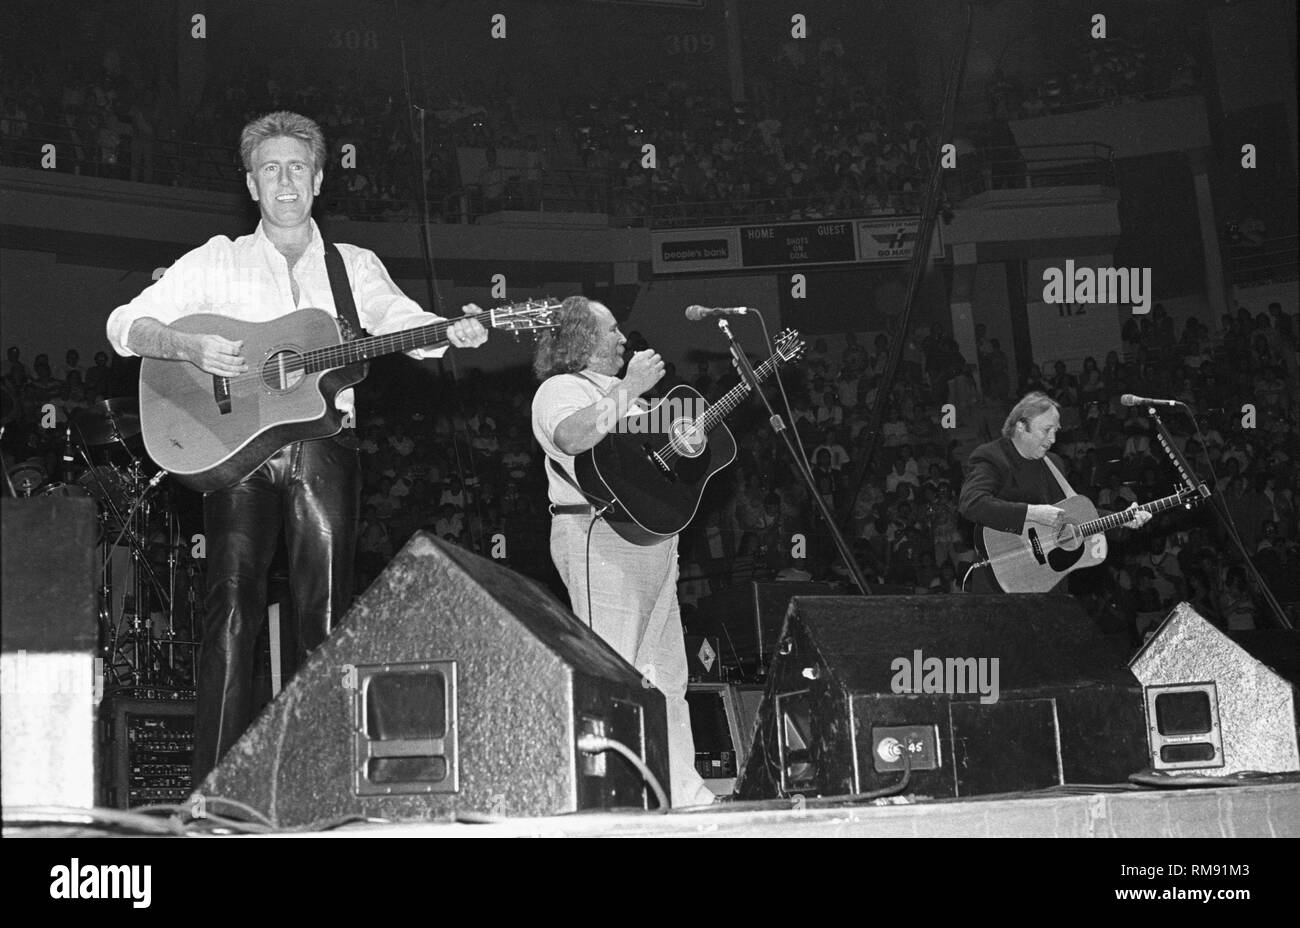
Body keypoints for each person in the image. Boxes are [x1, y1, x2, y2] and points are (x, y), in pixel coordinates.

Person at [105, 111, 488, 783]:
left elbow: (406, 325)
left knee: (329, 612)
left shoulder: (352, 266)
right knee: (230, 609)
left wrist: (450, 330)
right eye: (271, 169)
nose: (285, 182)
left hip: (326, 441)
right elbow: (121, 325)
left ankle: (332, 781)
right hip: (237, 451)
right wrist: (185, 344)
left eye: (298, 169)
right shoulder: (216, 259)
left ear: (318, 179)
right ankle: (215, 791)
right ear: (252, 184)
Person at [530, 295, 713, 807]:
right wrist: (632, 385)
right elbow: (572, 436)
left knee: (668, 673)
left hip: (652, 540)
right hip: (597, 534)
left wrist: (690, 442)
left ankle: (684, 791)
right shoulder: (559, 389)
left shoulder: (628, 394)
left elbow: (659, 460)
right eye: (610, 330)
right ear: (580, 339)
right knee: (615, 667)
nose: (621, 339)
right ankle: (614, 794)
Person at [958, 392, 1150, 592]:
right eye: (1046, 430)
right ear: (1021, 427)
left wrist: (1122, 519)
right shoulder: (992, 457)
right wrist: (1033, 514)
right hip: (1001, 582)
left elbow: (1072, 515)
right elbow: (971, 503)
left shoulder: (1055, 463)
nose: (1053, 439)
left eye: (1056, 431)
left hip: (1048, 585)